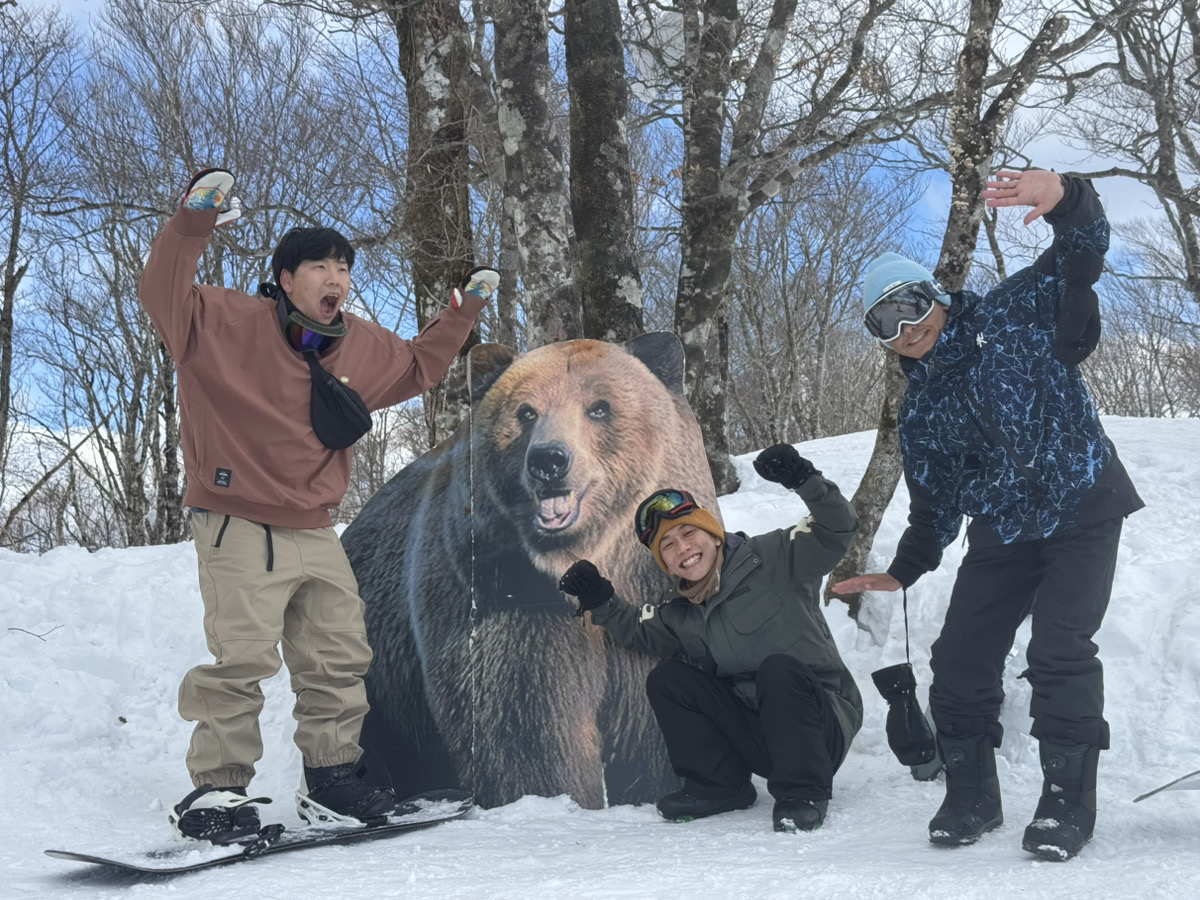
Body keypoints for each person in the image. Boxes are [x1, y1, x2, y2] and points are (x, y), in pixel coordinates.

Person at [139, 168, 498, 843]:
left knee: (338, 658)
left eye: (344, 267)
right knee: (241, 659)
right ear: (283, 277)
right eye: (320, 265)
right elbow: (164, 295)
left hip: (315, 528)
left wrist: (463, 315)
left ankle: (333, 781)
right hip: (236, 516)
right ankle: (217, 793)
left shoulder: (358, 343)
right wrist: (193, 222)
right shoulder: (221, 320)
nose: (336, 276)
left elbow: (420, 367)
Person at [833, 168, 1143, 861]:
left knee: (1059, 649)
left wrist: (1063, 194)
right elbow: (935, 501)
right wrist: (905, 568)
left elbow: (1081, 246)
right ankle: (971, 794)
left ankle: (1066, 802)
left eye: (912, 305)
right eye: (884, 321)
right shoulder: (921, 412)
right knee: (959, 659)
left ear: (936, 296)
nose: (906, 328)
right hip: (1003, 528)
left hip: (1082, 503)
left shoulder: (1012, 311)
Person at [558, 444, 862, 833]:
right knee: (670, 680)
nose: (682, 548)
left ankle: (803, 793)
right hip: (760, 737)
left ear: (714, 534)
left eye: (688, 532)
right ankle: (719, 786)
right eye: (667, 545)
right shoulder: (681, 611)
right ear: (664, 562)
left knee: (778, 670)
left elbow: (838, 529)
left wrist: (803, 478)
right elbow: (636, 630)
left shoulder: (773, 556)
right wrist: (599, 597)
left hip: (820, 728)